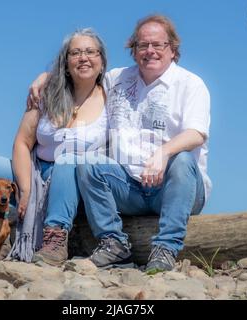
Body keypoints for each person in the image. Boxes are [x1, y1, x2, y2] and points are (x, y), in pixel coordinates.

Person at [29, 14, 211, 274]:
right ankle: (113, 243)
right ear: (133, 50)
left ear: (173, 49)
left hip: (176, 188)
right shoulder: (117, 79)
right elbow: (84, 72)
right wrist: (46, 76)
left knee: (181, 160)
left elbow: (196, 134)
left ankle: (165, 248)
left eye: (158, 45)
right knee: (89, 161)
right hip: (129, 187)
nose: (150, 51)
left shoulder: (191, 84)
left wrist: (163, 153)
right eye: (142, 45)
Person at [0, 28, 109, 265]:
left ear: (102, 60)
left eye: (90, 52)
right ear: (65, 63)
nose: (83, 58)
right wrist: (24, 190)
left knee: (67, 166)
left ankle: (53, 237)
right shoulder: (46, 92)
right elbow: (23, 142)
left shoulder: (113, 94)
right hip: (37, 171)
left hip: (78, 180)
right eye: (75, 53)